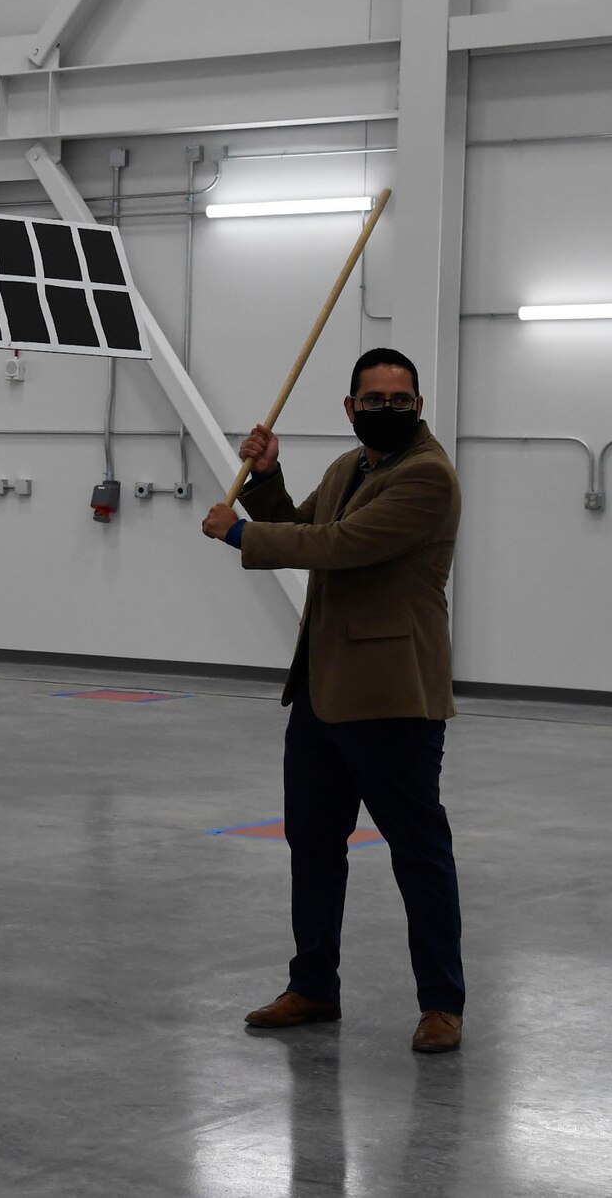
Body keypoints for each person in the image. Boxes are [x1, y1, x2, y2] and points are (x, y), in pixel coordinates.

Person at [200, 347, 465, 1054]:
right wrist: (265, 479)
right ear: (350, 410)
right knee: (312, 846)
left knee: (418, 851)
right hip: (323, 690)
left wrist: (242, 535)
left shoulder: (428, 477)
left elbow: (339, 546)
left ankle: (442, 1003)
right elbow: (305, 525)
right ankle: (313, 985)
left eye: (399, 399)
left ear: (418, 405)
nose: (387, 410)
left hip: (394, 697)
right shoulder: (350, 468)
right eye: (372, 400)